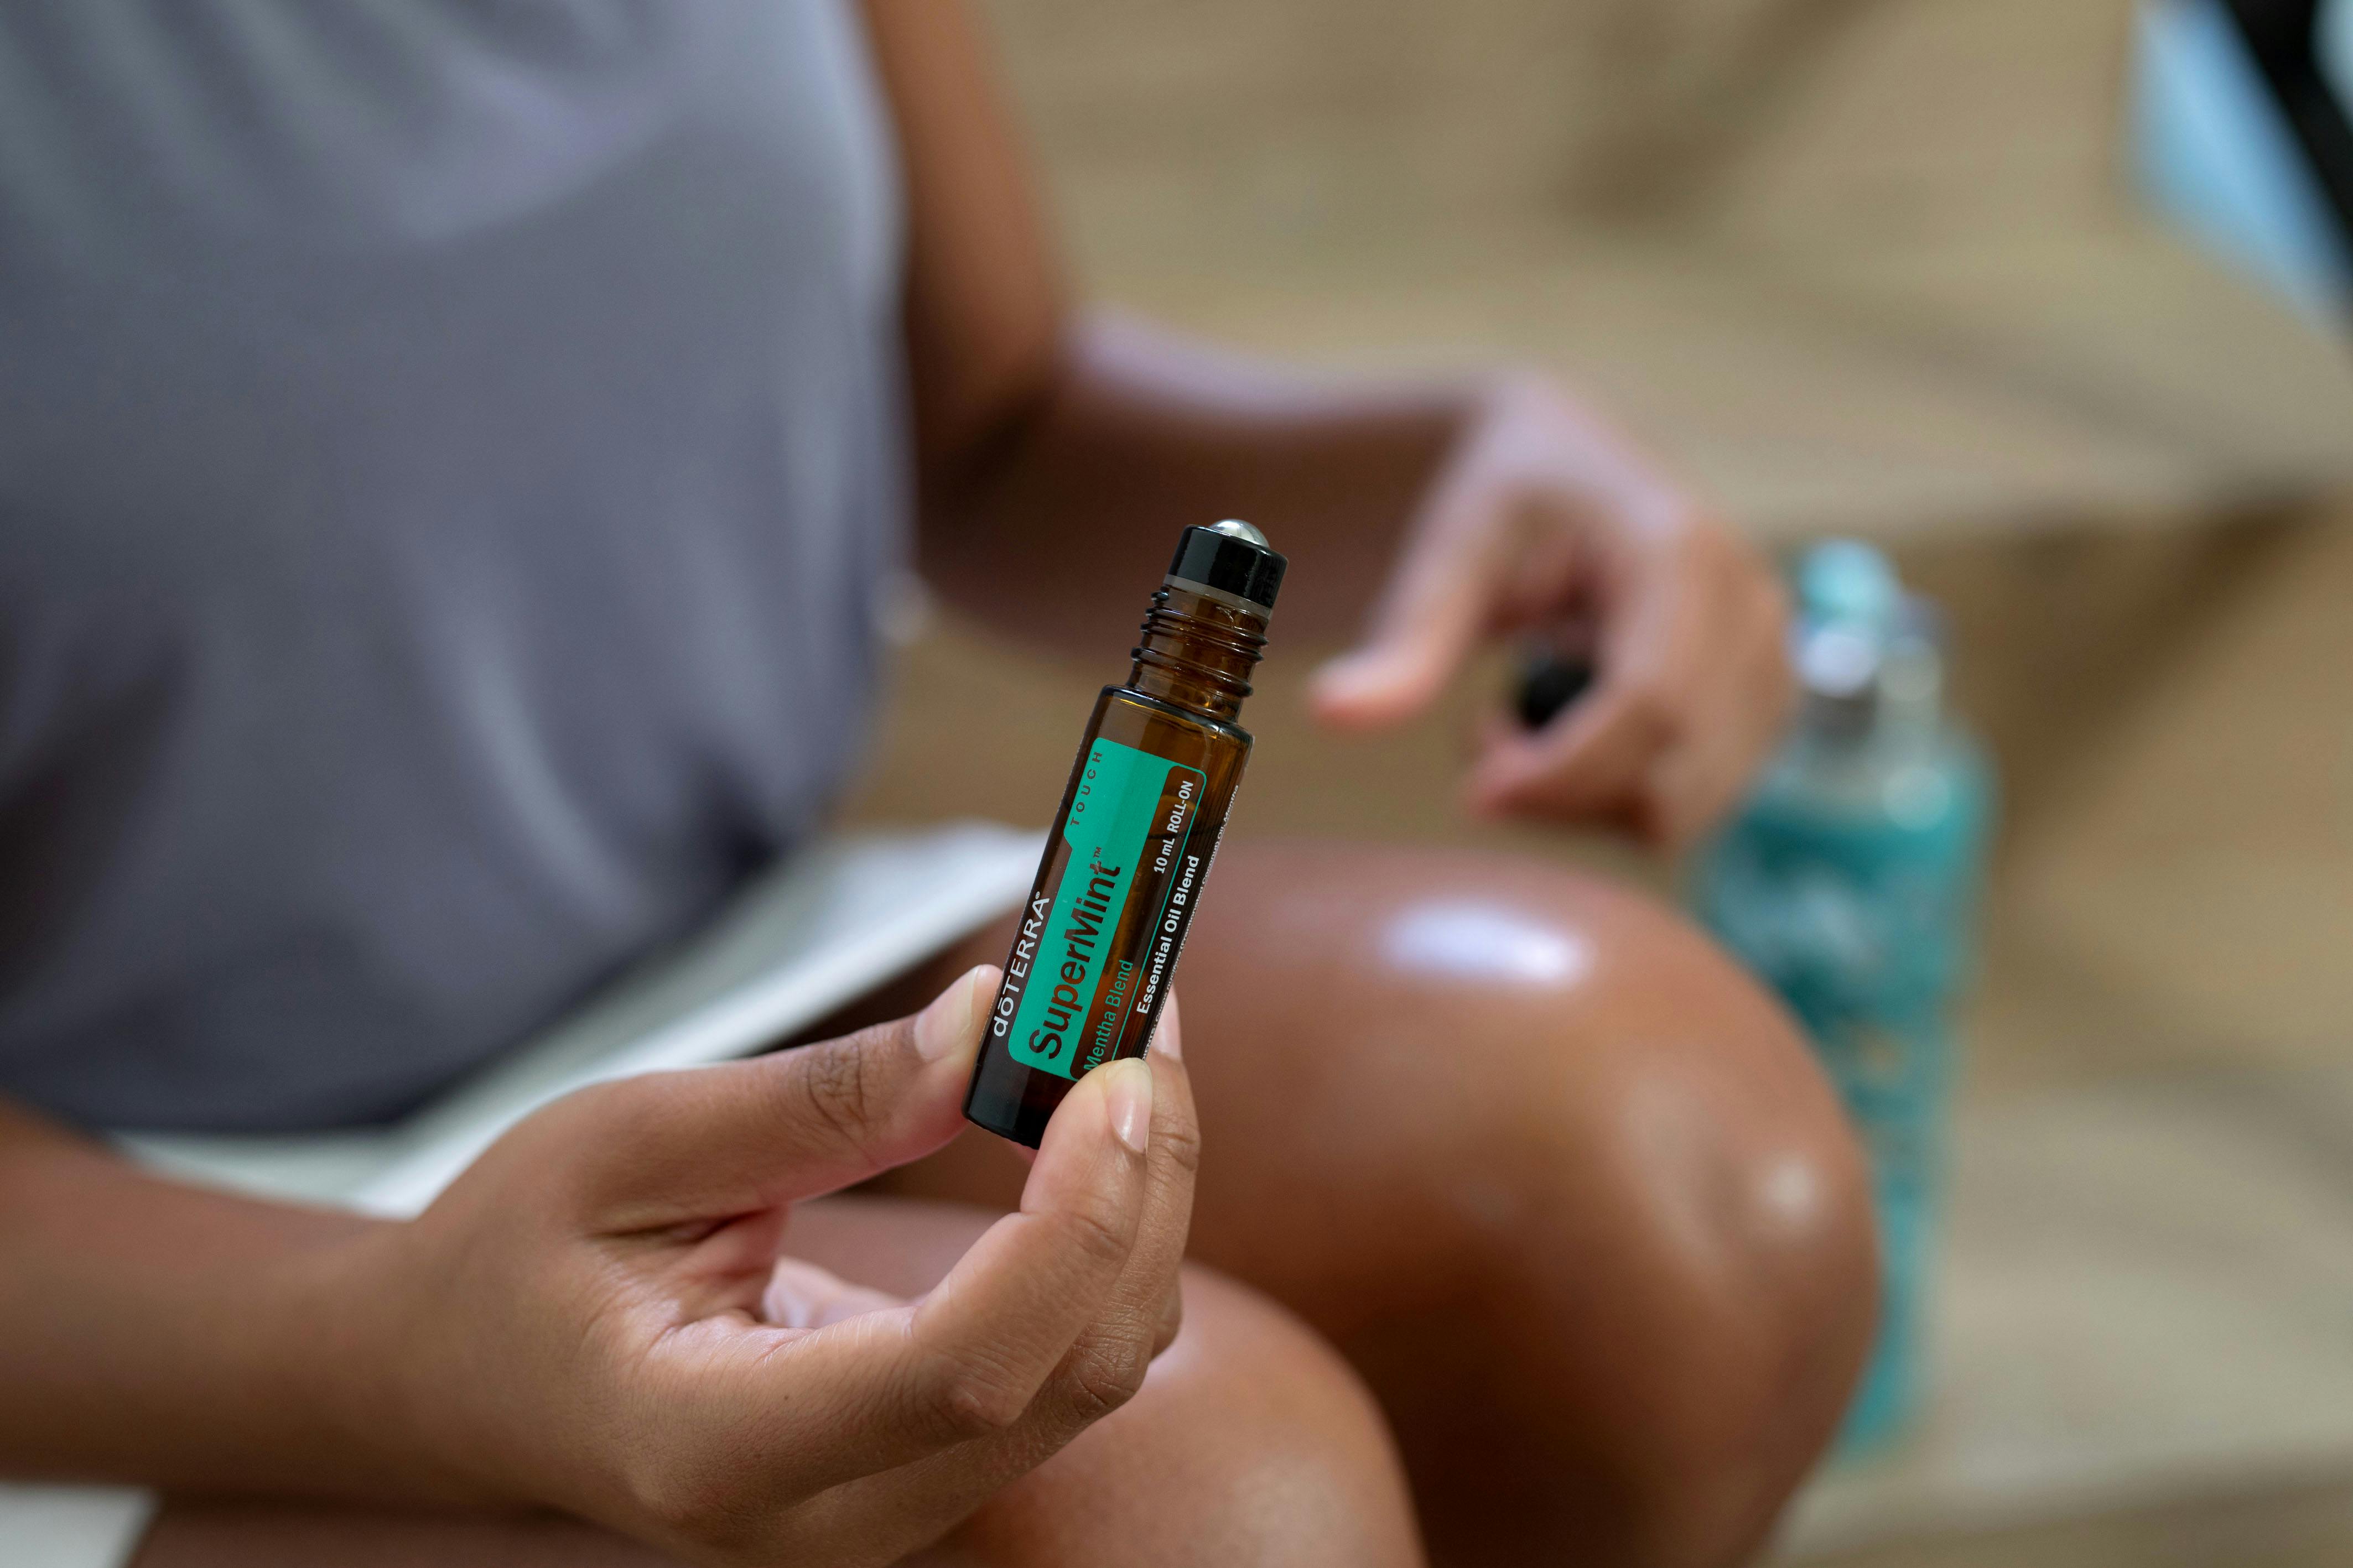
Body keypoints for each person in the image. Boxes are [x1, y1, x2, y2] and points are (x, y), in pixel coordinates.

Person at [0, 3, 1874, 1565]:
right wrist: (401, 1348)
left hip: (698, 960)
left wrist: (1461, 465)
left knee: (1680, 1199)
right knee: (1193, 1508)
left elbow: (996, 430)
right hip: (111, 1201)